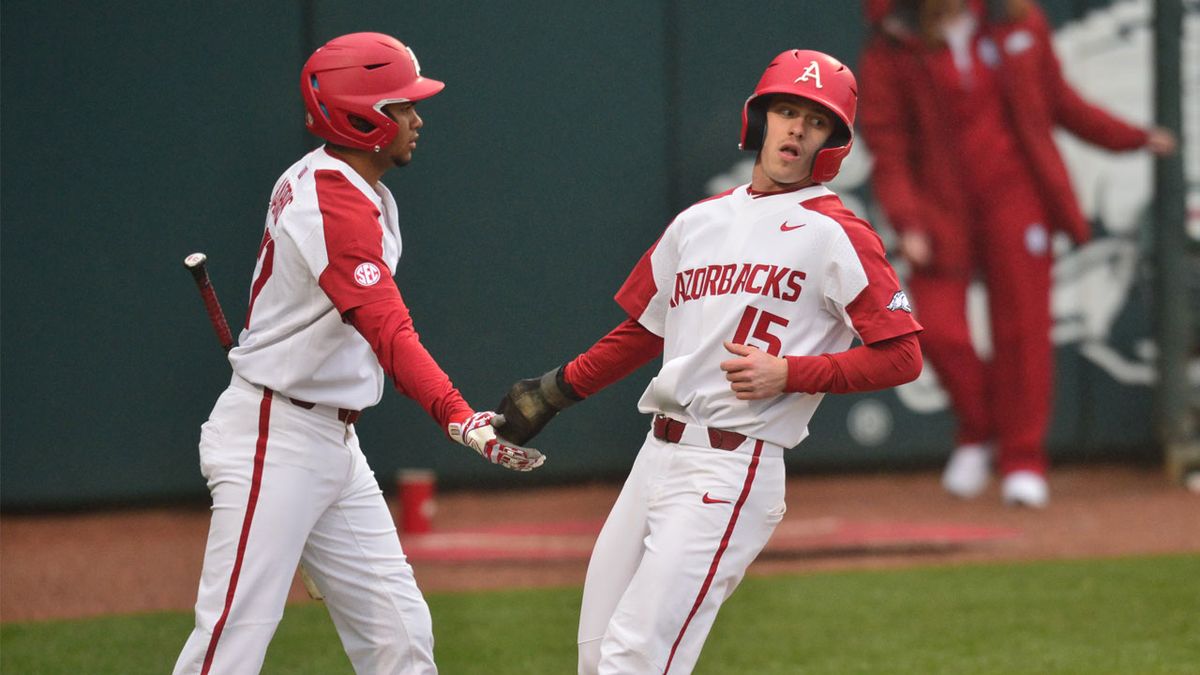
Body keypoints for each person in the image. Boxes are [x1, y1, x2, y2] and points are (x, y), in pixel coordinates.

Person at [494, 50, 923, 674]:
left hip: (732, 465)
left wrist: (792, 374)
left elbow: (902, 355)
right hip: (656, 456)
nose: (796, 128)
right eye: (785, 110)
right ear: (761, 119)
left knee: (633, 659)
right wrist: (557, 391)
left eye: (816, 119)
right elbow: (642, 333)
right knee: (596, 657)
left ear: (834, 140)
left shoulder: (838, 233)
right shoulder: (699, 221)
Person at [173, 32, 545, 675]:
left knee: (400, 637)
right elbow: (388, 331)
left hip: (329, 442)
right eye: (402, 106)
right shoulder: (334, 198)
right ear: (360, 115)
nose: (417, 119)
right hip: (276, 434)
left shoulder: (342, 184)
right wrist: (459, 417)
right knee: (230, 645)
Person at [857, 0, 1176, 508]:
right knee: (934, 329)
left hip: (1016, 198)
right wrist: (908, 220)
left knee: (1023, 332)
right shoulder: (892, 45)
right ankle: (980, 430)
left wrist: (1134, 139)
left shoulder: (1016, 20)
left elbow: (1062, 104)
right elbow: (888, 146)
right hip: (940, 208)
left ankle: (1023, 459)